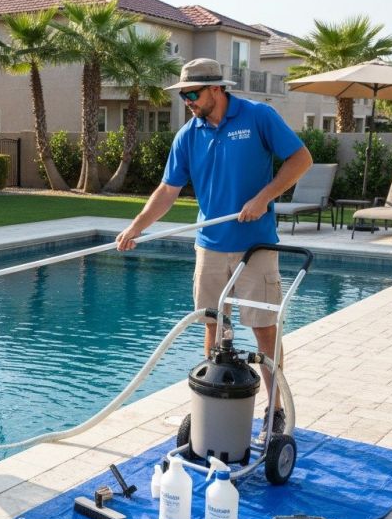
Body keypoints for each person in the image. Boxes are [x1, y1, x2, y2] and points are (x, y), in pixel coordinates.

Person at [116, 58, 313, 441]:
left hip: (256, 245)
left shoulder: (257, 116)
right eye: (183, 95)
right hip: (210, 245)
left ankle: (274, 409)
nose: (187, 101)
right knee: (214, 326)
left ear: (216, 89)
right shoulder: (188, 136)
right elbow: (167, 190)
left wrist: (263, 198)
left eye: (192, 94)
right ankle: (214, 402)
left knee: (264, 330)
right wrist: (136, 227)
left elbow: (301, 159)